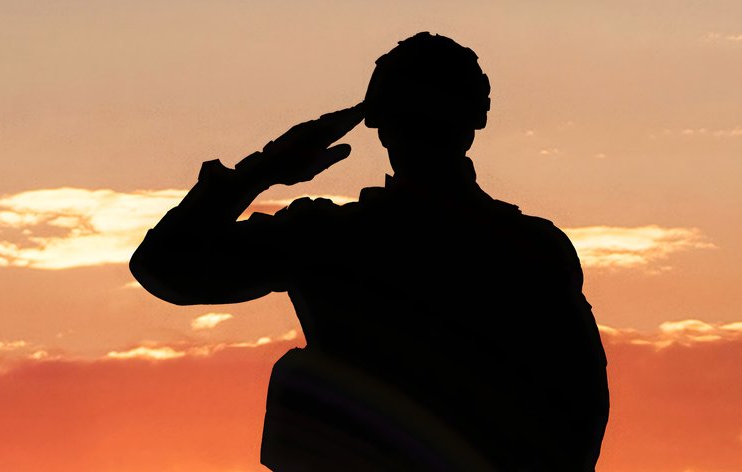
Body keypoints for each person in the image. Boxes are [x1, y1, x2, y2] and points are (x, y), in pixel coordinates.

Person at [130, 32, 609, 471]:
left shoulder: (328, 239)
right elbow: (583, 405)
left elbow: (165, 266)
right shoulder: (533, 250)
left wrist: (262, 171)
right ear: (477, 117)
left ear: (377, 122)